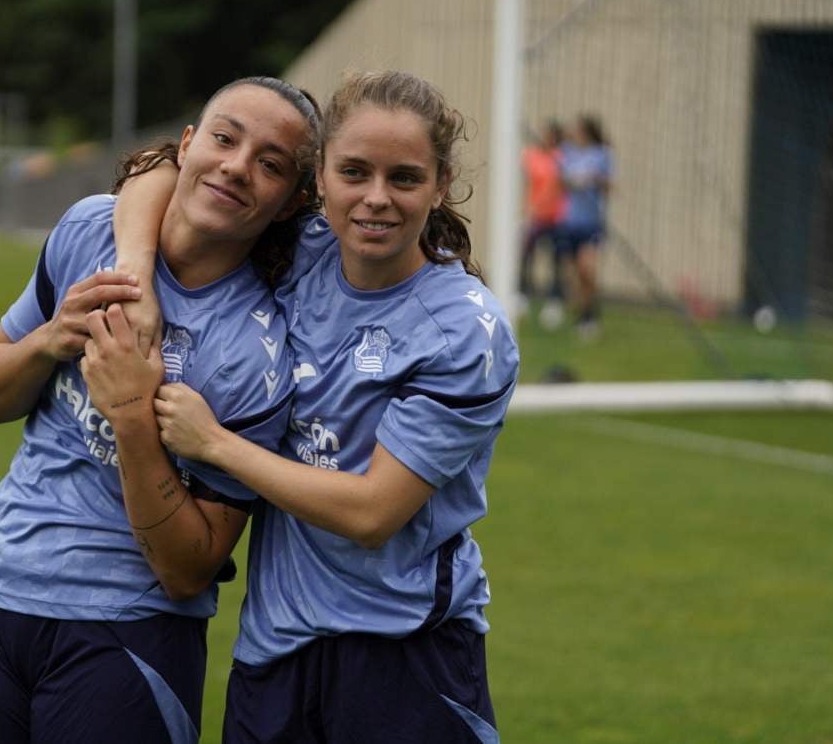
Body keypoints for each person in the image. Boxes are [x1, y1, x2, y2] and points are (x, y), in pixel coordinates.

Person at [113, 69, 519, 743]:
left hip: (404, 652)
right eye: (354, 172)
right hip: (273, 650)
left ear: (441, 184)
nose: (376, 199)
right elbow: (160, 171)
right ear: (320, 178)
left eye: (404, 178)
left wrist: (214, 444)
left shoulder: (463, 332)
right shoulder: (303, 247)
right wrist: (133, 270)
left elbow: (371, 514)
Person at [0, 76, 321, 744]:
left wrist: (133, 415)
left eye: (270, 164)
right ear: (187, 145)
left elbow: (186, 570)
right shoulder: (89, 230)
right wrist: (51, 339)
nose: (236, 166)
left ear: (291, 203)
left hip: (129, 634)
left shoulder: (259, 355)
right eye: (224, 138)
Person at [557, 113, 613, 339]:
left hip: (592, 222)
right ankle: (584, 314)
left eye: (579, 129)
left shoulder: (602, 154)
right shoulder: (569, 154)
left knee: (586, 268)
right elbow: (561, 182)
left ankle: (590, 314)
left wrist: (593, 179)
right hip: (571, 221)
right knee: (574, 274)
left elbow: (609, 186)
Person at [519, 118, 567, 328]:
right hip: (535, 216)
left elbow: (560, 187)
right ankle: (523, 295)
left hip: (556, 217)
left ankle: (555, 301)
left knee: (556, 260)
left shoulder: (561, 157)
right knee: (526, 255)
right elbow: (528, 182)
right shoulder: (532, 155)